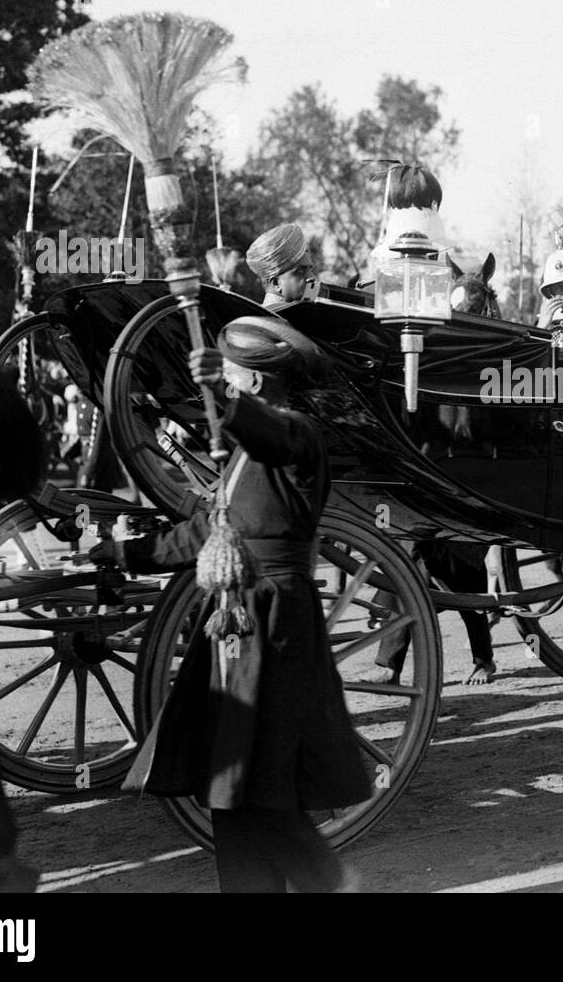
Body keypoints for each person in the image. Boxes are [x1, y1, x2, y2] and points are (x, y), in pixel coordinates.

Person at [89, 316, 370, 892]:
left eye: (235, 379)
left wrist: (221, 393)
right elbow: (202, 535)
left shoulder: (296, 436)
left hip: (276, 625)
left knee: (260, 779)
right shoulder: (242, 459)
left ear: (258, 386)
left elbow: (272, 433)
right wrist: (123, 552)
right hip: (237, 628)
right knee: (230, 779)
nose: (217, 397)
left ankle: (332, 884)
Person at [245, 223, 317, 309]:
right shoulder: (262, 320)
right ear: (276, 283)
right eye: (300, 272)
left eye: (311, 270)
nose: (313, 277)